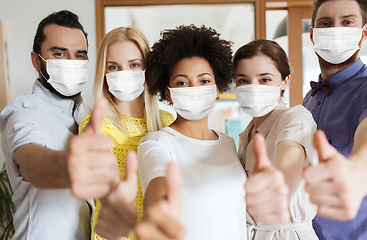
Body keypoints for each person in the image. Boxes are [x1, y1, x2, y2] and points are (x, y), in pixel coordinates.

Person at [0, 10, 120, 240]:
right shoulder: (24, 112)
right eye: (60, 54)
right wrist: (71, 166)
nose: (71, 63)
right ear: (37, 60)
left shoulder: (88, 115)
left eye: (79, 55)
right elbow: (33, 161)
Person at [78, 26, 174, 240]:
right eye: (114, 67)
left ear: (147, 69)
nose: (124, 73)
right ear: (104, 72)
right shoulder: (94, 127)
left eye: (134, 65)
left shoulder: (168, 123)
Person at [234, 39, 318, 240]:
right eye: (243, 80)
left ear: (284, 81)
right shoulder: (246, 135)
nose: (253, 87)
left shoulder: (296, 117)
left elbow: (290, 153)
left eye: (264, 80)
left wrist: (278, 182)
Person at [302, 0, 367, 239]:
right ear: (313, 35)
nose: (335, 30)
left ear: (363, 33)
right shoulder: (308, 99)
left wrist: (358, 172)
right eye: (325, 23)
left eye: (347, 22)